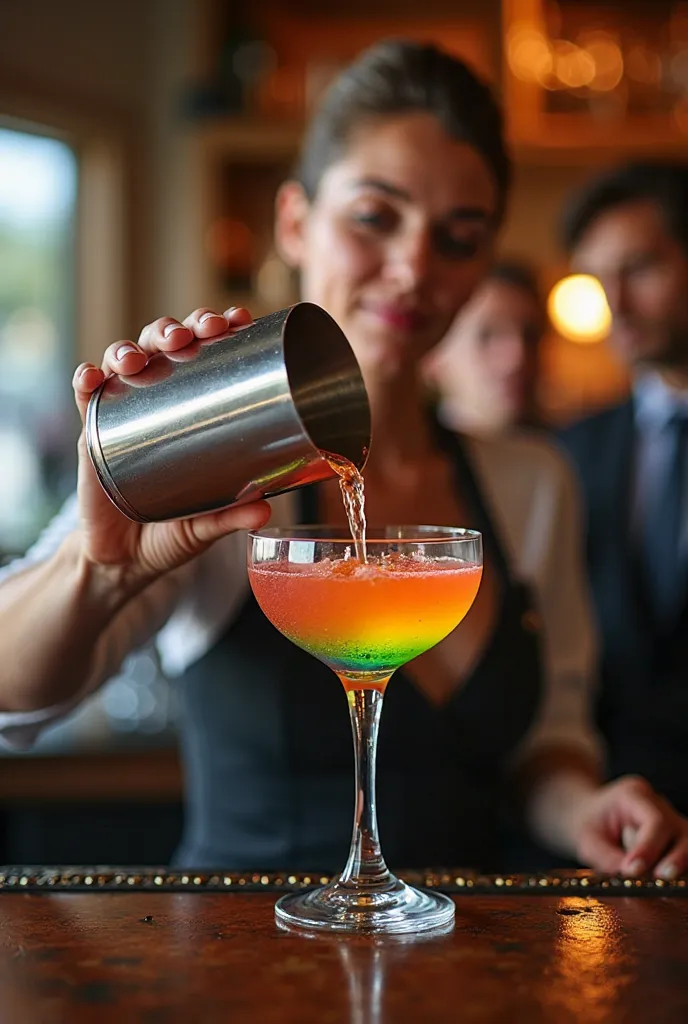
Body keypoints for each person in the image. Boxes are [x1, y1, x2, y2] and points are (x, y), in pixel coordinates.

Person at [1, 43, 686, 878]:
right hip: (233, 971)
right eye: (374, 217)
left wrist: (586, 807)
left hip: (466, 970)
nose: (413, 269)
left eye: (459, 238)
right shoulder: (219, 460)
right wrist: (97, 566)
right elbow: (14, 705)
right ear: (296, 222)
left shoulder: (533, 481)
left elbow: (547, 741)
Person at [558, 161, 688, 833]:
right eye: (597, 280)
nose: (616, 303)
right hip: (611, 834)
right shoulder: (570, 451)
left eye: (640, 268)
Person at [423, 259, 546, 436]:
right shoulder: (391, 454)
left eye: (530, 336)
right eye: (487, 335)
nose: (518, 357)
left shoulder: (563, 455)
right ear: (432, 356)